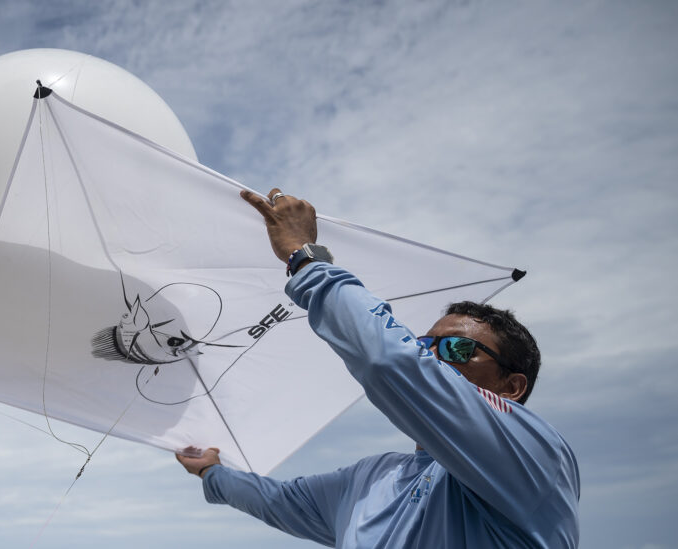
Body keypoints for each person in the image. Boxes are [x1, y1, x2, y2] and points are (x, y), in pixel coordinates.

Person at [176, 188, 580, 548]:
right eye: (425, 345)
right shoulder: (370, 479)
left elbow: (390, 359)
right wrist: (211, 473)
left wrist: (305, 256)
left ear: (511, 386)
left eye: (457, 349)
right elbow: (280, 500)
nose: (434, 357)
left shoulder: (532, 455)